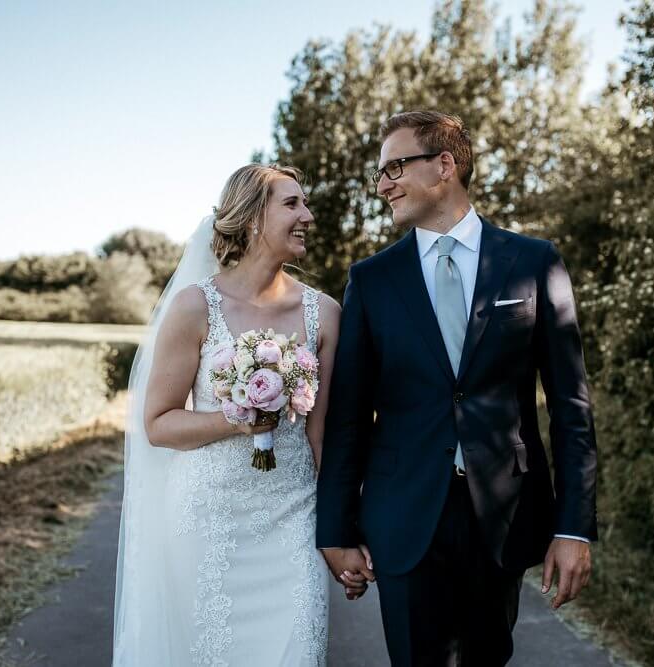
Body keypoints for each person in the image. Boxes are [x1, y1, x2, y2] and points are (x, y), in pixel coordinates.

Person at [317, 111, 599, 665]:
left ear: (444, 165)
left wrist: (575, 529)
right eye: (380, 173)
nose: (383, 185)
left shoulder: (533, 263)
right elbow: (348, 416)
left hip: (502, 514)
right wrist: (337, 528)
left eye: (395, 167)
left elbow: (571, 408)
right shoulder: (371, 280)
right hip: (402, 514)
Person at [113, 164, 348, 666]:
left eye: (305, 203)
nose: (307, 215)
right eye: (292, 204)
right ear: (252, 217)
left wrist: (339, 533)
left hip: (293, 521)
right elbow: (158, 423)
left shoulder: (324, 314)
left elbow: (323, 437)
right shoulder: (195, 307)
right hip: (208, 524)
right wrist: (238, 421)